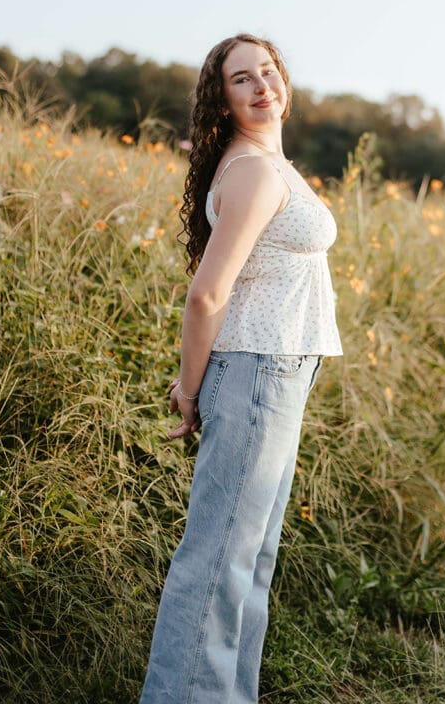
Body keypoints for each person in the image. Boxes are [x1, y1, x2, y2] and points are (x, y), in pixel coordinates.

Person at [139, 34, 343, 704]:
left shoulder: (263, 163)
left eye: (268, 72)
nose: (261, 87)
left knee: (248, 561)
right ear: (221, 101)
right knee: (220, 562)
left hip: (277, 372)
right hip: (257, 373)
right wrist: (189, 389)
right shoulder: (254, 172)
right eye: (240, 80)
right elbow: (207, 293)